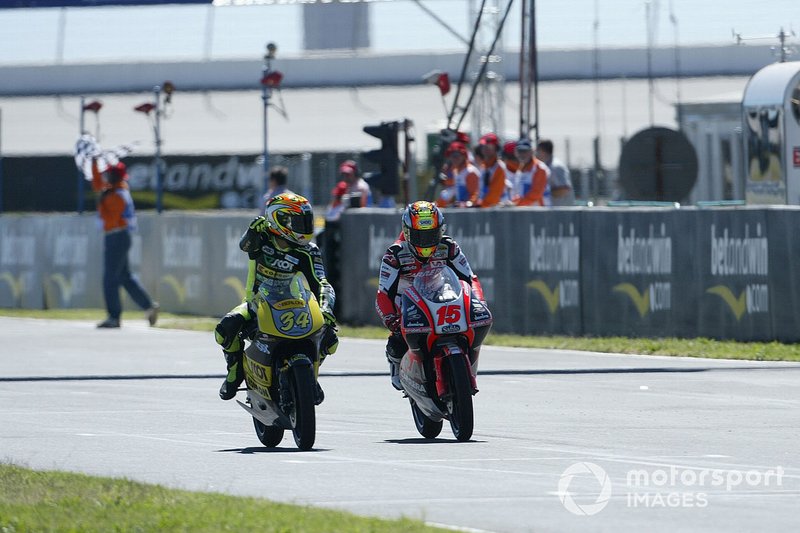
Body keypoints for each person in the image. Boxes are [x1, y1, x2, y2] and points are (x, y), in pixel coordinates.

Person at [215, 193, 339, 401]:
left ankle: (310, 378)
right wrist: (252, 230)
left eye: (306, 222)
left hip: (296, 304)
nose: (304, 227)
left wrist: (326, 309)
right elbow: (245, 245)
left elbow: (321, 282)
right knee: (224, 330)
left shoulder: (309, 251)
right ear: (278, 219)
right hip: (257, 303)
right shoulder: (262, 238)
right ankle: (235, 373)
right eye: (298, 222)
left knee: (330, 339)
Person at [375, 201, 485, 390]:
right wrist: (391, 319)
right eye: (419, 235)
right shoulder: (395, 254)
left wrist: (478, 301)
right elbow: (383, 294)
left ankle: (466, 366)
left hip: (441, 292)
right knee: (397, 341)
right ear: (408, 232)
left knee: (473, 321)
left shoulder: (449, 247)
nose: (426, 241)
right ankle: (397, 362)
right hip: (407, 300)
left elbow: (469, 278)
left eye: (431, 235)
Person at [91, 158, 159, 329]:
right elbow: (98, 184)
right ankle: (148, 306)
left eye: (109, 174)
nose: (106, 177)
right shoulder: (113, 191)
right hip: (117, 236)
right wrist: (94, 164)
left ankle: (114, 316)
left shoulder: (118, 194)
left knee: (110, 278)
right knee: (124, 277)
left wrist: (102, 199)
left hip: (117, 236)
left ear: (116, 177)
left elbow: (111, 217)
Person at [436, 141, 481, 208]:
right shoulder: (455, 171)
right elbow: (450, 192)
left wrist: (467, 204)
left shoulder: (470, 172)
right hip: (462, 210)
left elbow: (476, 194)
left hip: (472, 211)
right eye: (452, 156)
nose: (454, 159)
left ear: (464, 156)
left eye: (457, 156)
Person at [475, 133, 511, 208]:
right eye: (484, 147)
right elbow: (480, 191)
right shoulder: (483, 167)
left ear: (496, 148)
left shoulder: (499, 167)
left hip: (497, 209)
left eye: (489, 147)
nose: (485, 149)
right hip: (485, 207)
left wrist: (480, 205)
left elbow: (494, 195)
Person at [512, 138, 551, 206]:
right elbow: (519, 194)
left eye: (525, 151)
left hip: (540, 212)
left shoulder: (539, 168)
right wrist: (512, 202)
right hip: (526, 211)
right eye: (520, 151)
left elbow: (536, 193)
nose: (522, 154)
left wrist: (517, 204)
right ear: (516, 152)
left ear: (531, 152)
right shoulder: (520, 170)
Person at [536, 139, 575, 207]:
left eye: (538, 150)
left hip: (562, 211)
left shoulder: (556, 167)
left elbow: (564, 190)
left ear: (543, 151)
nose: (536, 153)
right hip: (554, 209)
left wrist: (543, 193)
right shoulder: (546, 165)